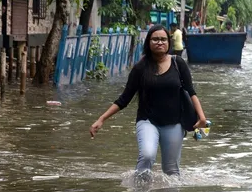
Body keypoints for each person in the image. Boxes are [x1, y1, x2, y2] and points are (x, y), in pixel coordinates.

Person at [89, 25, 207, 177]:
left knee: (171, 170)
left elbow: (191, 92)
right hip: (147, 121)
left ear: (169, 43)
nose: (159, 42)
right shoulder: (140, 68)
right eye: (155, 39)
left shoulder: (178, 64)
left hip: (174, 123)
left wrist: (202, 117)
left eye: (163, 39)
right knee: (147, 155)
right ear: (148, 42)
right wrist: (101, 119)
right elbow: (124, 99)